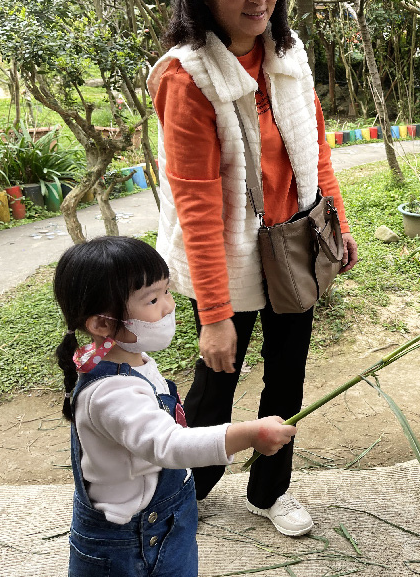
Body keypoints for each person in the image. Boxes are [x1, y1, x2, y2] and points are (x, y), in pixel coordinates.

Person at [148, 0, 358, 537]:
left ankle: (270, 492)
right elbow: (195, 204)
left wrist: (336, 224)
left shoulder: (288, 56)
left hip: (292, 242)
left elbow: (315, 150)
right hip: (227, 257)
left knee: (286, 381)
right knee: (215, 383)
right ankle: (187, 489)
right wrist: (214, 315)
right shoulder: (189, 79)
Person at [53, 236, 297, 576]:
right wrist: (248, 434)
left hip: (165, 515)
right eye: (153, 299)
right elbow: (169, 444)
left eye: (167, 291)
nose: (169, 306)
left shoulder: (131, 360)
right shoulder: (112, 393)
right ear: (102, 323)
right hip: (133, 540)